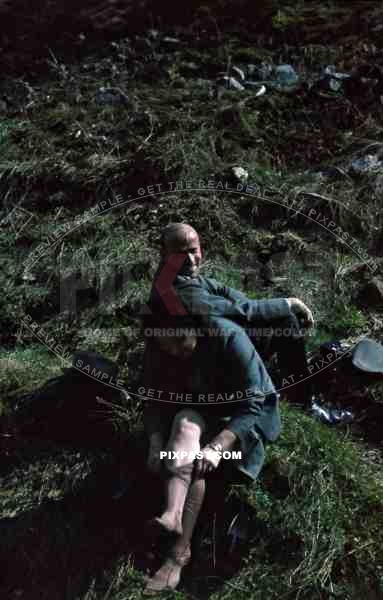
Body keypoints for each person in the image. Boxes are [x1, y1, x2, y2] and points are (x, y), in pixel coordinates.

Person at [141, 311, 281, 595]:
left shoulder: (230, 339)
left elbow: (252, 404)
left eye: (181, 343)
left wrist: (218, 447)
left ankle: (178, 554)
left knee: (198, 461)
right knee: (184, 429)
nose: (174, 352)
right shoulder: (160, 347)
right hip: (197, 411)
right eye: (166, 346)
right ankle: (172, 515)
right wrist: (156, 443)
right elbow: (153, 399)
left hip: (240, 417)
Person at [147, 222, 315, 405]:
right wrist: (289, 303)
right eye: (180, 254)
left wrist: (254, 307)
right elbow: (241, 311)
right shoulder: (175, 289)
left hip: (210, 352)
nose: (189, 259)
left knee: (280, 318)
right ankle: (301, 400)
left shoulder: (174, 275)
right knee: (285, 321)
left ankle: (283, 382)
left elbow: (232, 295)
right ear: (165, 255)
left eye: (193, 250)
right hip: (204, 373)